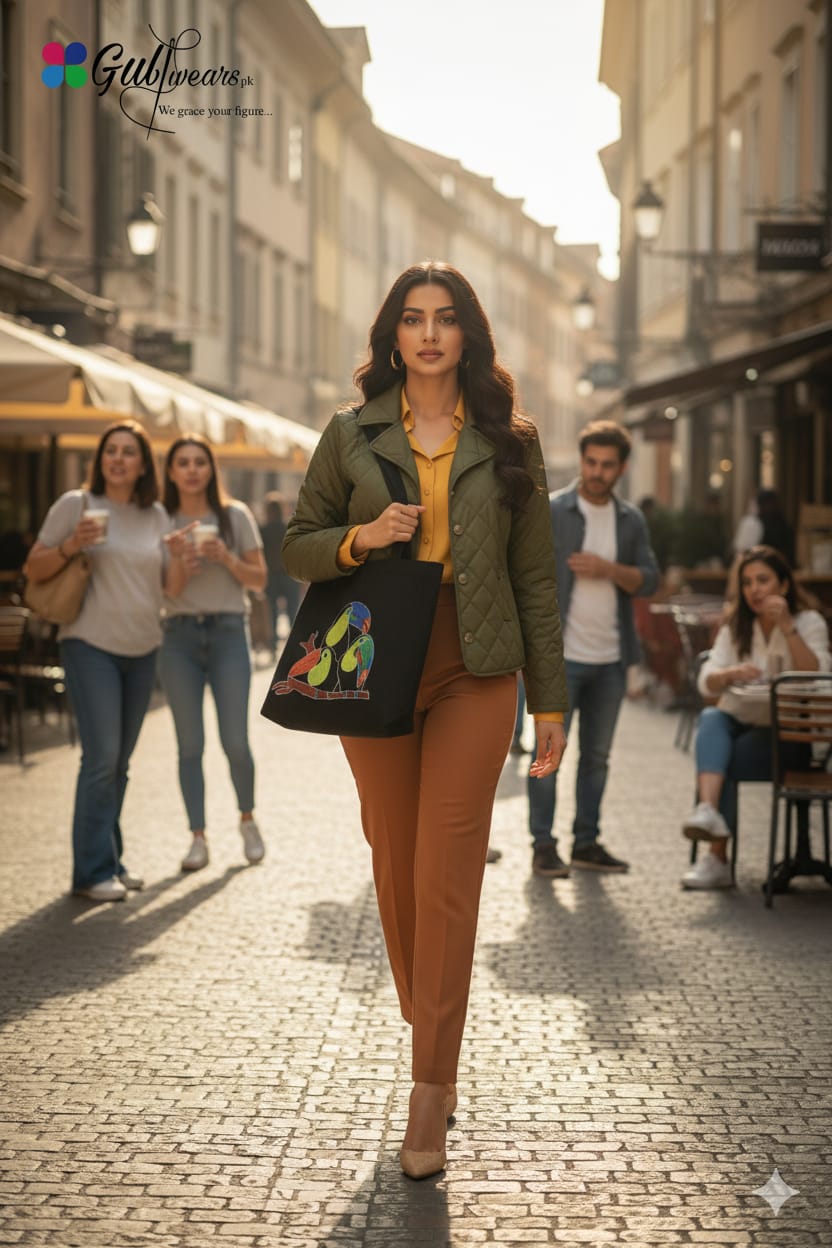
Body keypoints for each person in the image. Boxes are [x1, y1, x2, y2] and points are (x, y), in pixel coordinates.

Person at [282, 260, 567, 1180]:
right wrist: (363, 538)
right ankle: (431, 1016)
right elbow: (298, 543)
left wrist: (552, 696)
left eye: (446, 319)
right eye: (414, 319)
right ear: (393, 336)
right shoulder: (349, 435)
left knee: (446, 874)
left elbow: (535, 579)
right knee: (396, 864)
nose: (431, 334)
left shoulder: (510, 440)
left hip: (479, 667)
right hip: (375, 660)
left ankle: (429, 1089)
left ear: (468, 334)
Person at [23, 421, 171, 902]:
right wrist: (71, 545)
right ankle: (89, 872)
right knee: (101, 759)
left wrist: (186, 559)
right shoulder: (77, 504)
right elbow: (34, 568)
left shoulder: (155, 515)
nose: (119, 459)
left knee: (120, 764)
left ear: (144, 464)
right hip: (89, 645)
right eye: (112, 451)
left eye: (129, 452)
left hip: (143, 647)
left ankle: (111, 859)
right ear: (101, 459)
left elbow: (169, 585)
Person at [527, 420, 659, 879]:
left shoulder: (630, 520)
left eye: (607, 465)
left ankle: (587, 842)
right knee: (546, 755)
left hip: (610, 660)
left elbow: (650, 578)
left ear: (622, 468)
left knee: (597, 759)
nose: (597, 472)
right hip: (557, 657)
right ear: (582, 461)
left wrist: (609, 569)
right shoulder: (554, 511)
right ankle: (543, 844)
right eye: (591, 463)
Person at [680, 544, 830, 889]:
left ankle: (715, 847)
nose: (755, 589)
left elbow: (818, 674)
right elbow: (707, 682)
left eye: (763, 580)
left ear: (784, 585)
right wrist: (730, 673)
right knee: (712, 719)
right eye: (747, 583)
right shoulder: (737, 626)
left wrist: (788, 626)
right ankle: (709, 819)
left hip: (791, 736)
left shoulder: (809, 622)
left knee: (719, 759)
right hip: (742, 725)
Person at [160, 435, 268, 873]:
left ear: (211, 469)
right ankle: (197, 837)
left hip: (227, 633)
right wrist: (180, 560)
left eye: (199, 462)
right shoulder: (161, 521)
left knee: (235, 742)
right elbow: (170, 593)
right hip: (178, 636)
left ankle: (247, 819)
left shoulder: (235, 515)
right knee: (189, 746)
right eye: (182, 463)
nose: (191, 470)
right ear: (170, 472)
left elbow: (259, 580)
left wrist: (225, 557)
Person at [259, 491, 302, 654]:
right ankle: (295, 646)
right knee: (293, 612)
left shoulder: (263, 530)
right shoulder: (290, 528)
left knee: (272, 613)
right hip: (291, 575)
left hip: (271, 577)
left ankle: (273, 646)